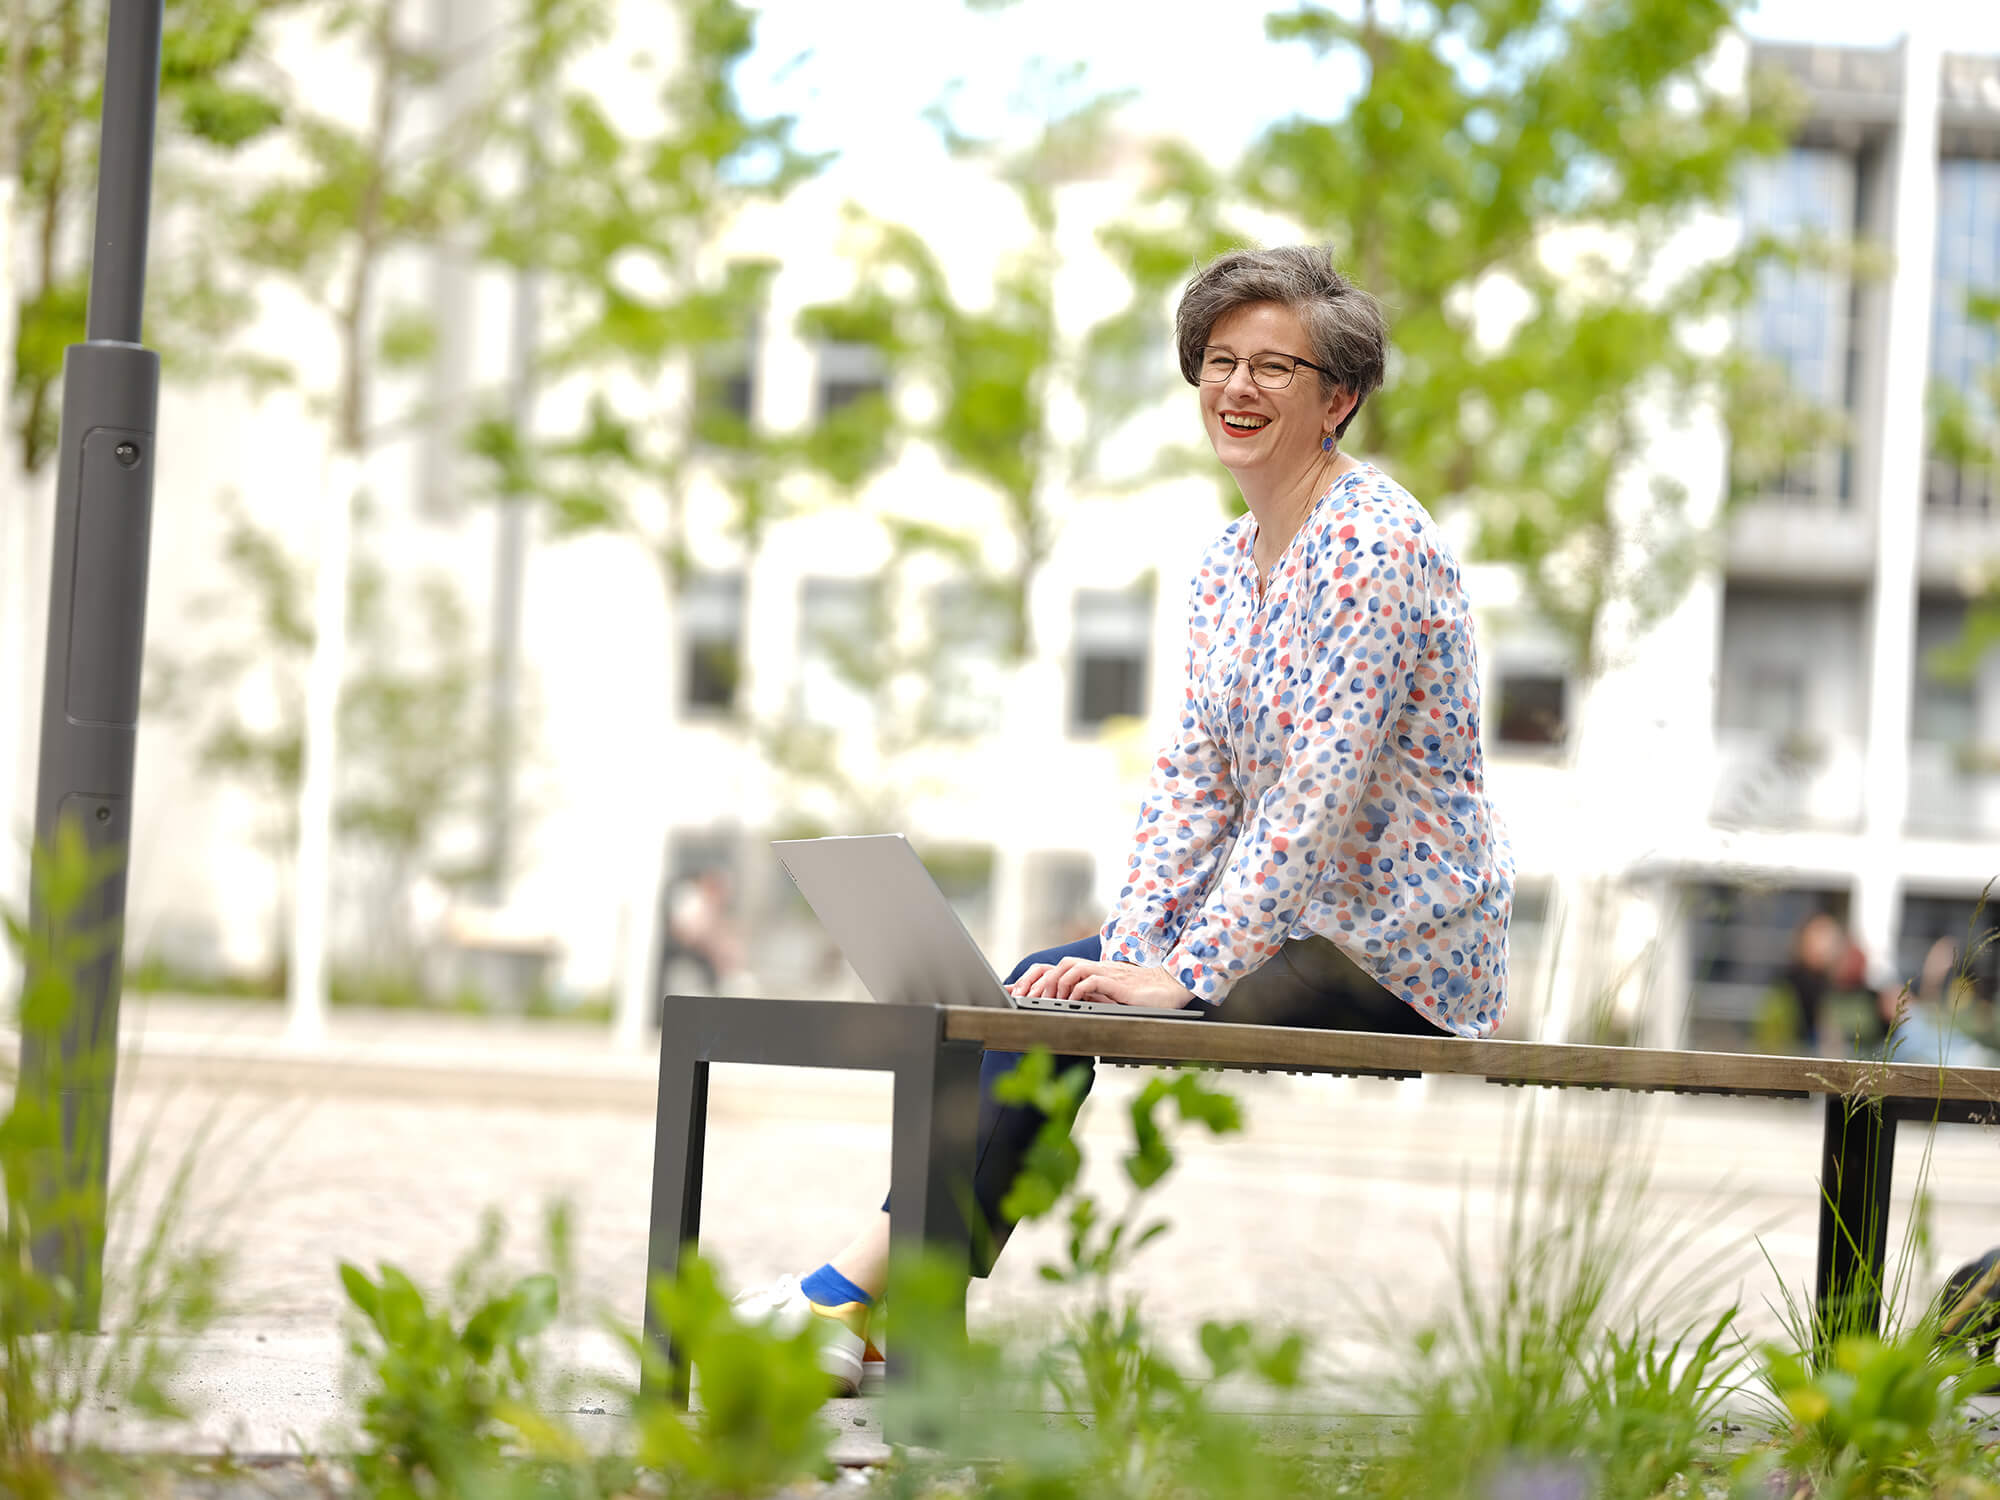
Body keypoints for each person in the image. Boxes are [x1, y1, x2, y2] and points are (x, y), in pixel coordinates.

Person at [731, 245, 1516, 1396]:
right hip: (1285, 929)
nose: (1236, 388)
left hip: (1391, 946)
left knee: (1049, 998)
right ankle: (886, 1325)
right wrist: (1136, 952)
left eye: (1272, 368)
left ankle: (848, 1297)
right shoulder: (1217, 564)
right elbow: (1194, 783)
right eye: (1217, 362)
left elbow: (1314, 791)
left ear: (1336, 397)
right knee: (1042, 988)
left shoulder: (1371, 541)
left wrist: (1184, 972)